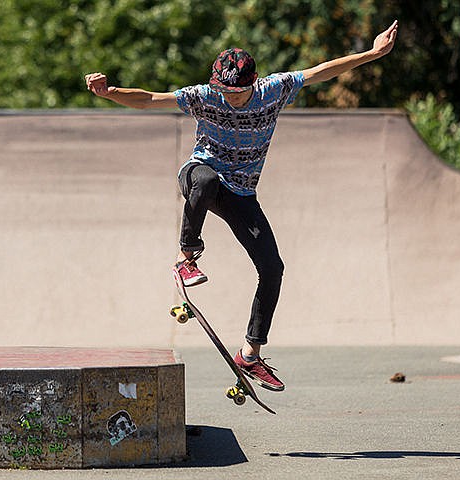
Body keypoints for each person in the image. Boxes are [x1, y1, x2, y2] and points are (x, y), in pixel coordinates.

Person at [85, 21, 398, 392]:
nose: (232, 98)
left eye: (239, 92)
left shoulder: (274, 90)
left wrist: (372, 54)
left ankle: (250, 352)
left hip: (242, 195)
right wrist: (111, 92)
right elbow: (152, 99)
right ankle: (188, 258)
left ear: (254, 82)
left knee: (273, 267)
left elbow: (321, 71)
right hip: (200, 174)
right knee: (205, 181)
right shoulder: (204, 95)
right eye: (226, 92)